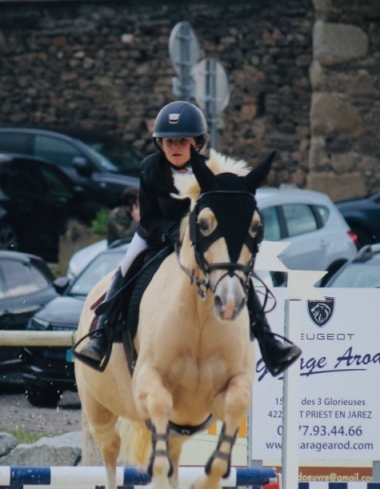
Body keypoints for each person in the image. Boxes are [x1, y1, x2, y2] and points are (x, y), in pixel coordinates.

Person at [76, 101, 301, 376]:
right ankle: (100, 335)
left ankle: (269, 343)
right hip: (156, 236)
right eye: (169, 141)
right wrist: (175, 233)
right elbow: (147, 219)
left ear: (198, 142)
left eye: (182, 141)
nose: (175, 147)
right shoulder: (150, 167)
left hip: (204, 240)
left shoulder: (212, 169)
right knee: (125, 268)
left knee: (235, 274)